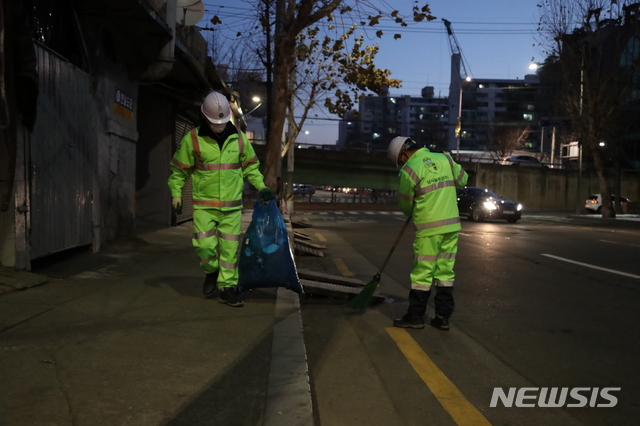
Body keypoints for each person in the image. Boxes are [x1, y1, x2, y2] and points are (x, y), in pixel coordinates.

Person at [168, 91, 275, 307]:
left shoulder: (240, 139)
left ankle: (227, 289)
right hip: (204, 206)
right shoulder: (192, 140)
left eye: (221, 121)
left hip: (232, 208)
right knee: (205, 247)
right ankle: (211, 271)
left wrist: (262, 187)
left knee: (229, 251)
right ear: (204, 117)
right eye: (214, 122)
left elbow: (251, 168)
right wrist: (176, 195)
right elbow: (179, 172)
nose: (218, 125)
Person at [387, 137, 468, 330]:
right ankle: (442, 317)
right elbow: (463, 180)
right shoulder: (445, 158)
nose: (402, 164)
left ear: (403, 154)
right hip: (451, 227)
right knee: (445, 272)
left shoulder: (409, 170)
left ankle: (415, 316)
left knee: (422, 273)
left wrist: (414, 206)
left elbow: (406, 205)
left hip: (428, 229)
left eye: (400, 161)